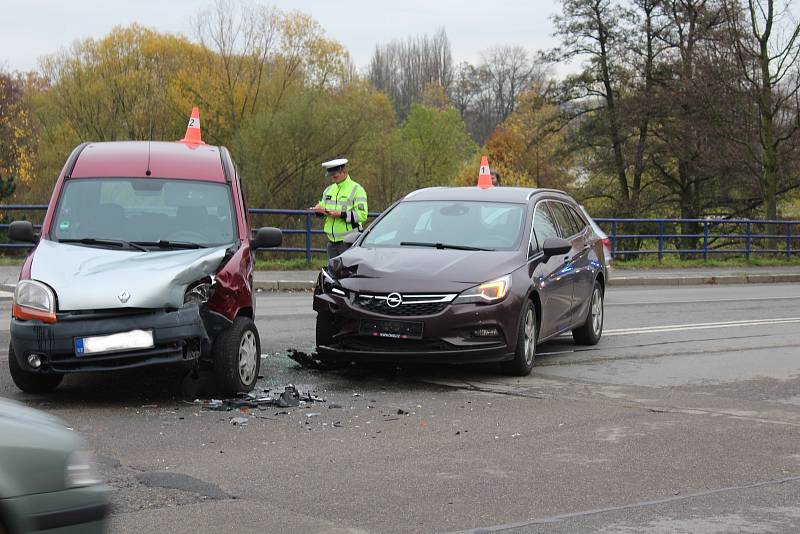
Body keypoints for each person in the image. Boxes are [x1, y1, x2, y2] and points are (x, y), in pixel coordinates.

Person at [309, 158, 368, 259]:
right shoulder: (328, 190)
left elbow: (362, 215)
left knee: (348, 273)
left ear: (344, 172)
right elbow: (323, 209)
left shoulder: (357, 190)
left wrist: (341, 214)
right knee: (333, 272)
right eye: (331, 176)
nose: (332, 179)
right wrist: (318, 211)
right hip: (331, 242)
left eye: (335, 176)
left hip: (349, 241)